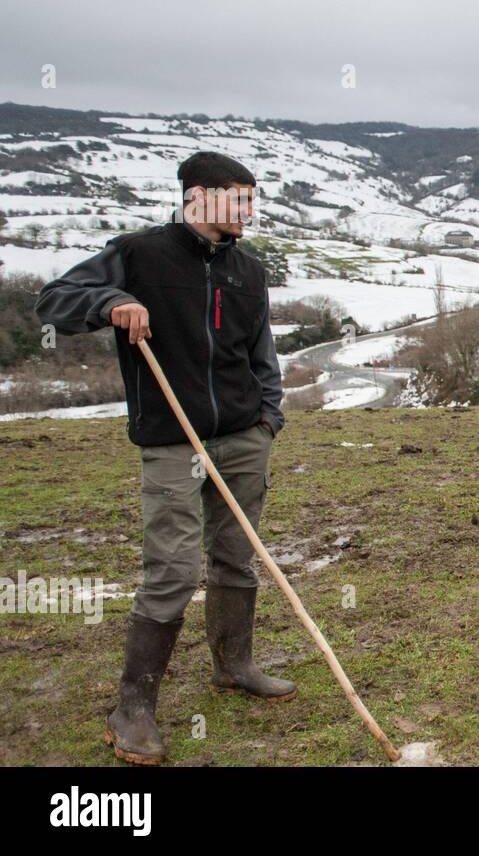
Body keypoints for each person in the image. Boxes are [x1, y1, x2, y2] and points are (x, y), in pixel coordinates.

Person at [36, 150, 294, 765]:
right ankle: (134, 707)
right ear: (199, 196)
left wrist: (268, 416)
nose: (250, 211)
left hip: (242, 437)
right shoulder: (138, 254)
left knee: (238, 556)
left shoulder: (249, 271)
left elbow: (261, 353)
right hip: (172, 440)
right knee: (173, 569)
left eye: (253, 199)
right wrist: (109, 305)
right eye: (240, 198)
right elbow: (55, 300)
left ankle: (234, 666)